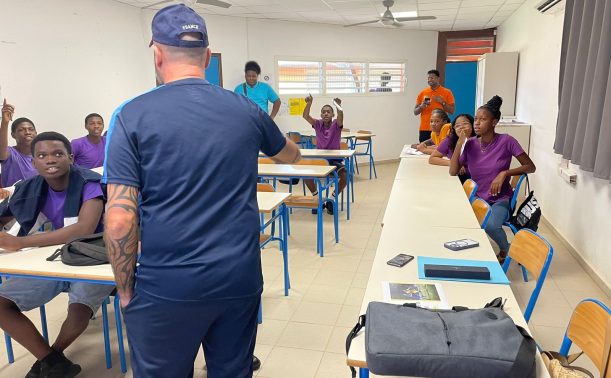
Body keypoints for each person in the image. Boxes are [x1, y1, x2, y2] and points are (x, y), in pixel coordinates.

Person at [103, 5, 301, 378]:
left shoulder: (130, 116)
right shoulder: (246, 109)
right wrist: (292, 147)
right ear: (207, 57)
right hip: (238, 278)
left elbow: (119, 219)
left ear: (157, 54)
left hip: (167, 283)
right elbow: (289, 154)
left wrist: (126, 292)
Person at [0, 131, 112, 378]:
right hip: (55, 259)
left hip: (94, 258)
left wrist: (19, 243)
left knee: (79, 307)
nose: (50, 160)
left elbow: (83, 229)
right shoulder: (30, 187)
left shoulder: (89, 182)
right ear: (33, 161)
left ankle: (52, 357)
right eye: (42, 155)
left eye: (57, 154)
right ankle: (53, 363)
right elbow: (4, 214)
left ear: (70, 157)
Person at [449, 96, 536, 263]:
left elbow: (530, 167)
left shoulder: (507, 141)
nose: (477, 123)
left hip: (500, 200)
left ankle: (506, 250)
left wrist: (505, 173)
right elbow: (453, 171)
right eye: (476, 119)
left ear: (494, 122)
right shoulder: (471, 144)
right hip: (477, 198)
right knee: (454, 220)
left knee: (490, 225)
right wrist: (461, 142)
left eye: (483, 119)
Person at [302, 94, 346, 215]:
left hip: (334, 160)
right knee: (306, 174)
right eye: (323, 112)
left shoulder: (337, 124)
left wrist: (338, 106)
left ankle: (331, 199)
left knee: (345, 176)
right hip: (320, 160)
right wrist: (309, 103)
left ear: (332, 115)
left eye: (328, 112)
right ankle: (318, 199)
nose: (326, 113)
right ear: (321, 115)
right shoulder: (317, 124)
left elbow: (341, 117)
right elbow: (305, 116)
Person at [0, 100, 38, 187]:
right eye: (21, 130)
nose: (27, 132)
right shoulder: (10, 153)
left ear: (36, 133)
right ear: (13, 135)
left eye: (31, 129)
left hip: (37, 199)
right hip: (13, 199)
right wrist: (5, 122)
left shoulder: (41, 156)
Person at [429, 113, 476, 183]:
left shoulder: (478, 141)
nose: (461, 127)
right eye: (457, 125)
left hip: (473, 178)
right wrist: (452, 163)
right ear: (454, 129)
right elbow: (432, 158)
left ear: (472, 125)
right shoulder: (450, 140)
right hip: (456, 176)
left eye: (465, 124)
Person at [414, 69, 455, 142]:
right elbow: (415, 112)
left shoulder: (447, 92)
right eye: (428, 78)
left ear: (438, 78)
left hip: (442, 128)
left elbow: (452, 111)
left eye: (432, 78)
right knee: (424, 150)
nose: (429, 80)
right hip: (425, 128)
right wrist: (422, 106)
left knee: (441, 150)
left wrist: (443, 102)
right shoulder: (423, 93)